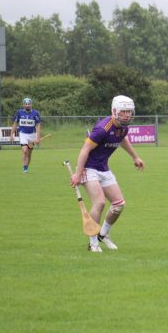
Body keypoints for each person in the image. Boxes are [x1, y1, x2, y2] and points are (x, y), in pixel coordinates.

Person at [70, 95, 145, 253]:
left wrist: (135, 157)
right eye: (124, 111)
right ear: (115, 111)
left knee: (119, 204)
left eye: (129, 112)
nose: (127, 115)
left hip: (103, 168)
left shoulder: (123, 127)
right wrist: (77, 174)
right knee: (99, 203)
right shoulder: (102, 128)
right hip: (88, 168)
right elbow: (85, 150)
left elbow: (123, 139)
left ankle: (103, 234)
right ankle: (93, 243)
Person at [10, 97, 41, 173]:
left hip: (32, 135)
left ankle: (26, 167)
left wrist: (37, 137)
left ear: (31, 105)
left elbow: (38, 126)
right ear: (23, 105)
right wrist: (11, 135)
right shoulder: (19, 113)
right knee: (24, 151)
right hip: (23, 134)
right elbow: (15, 124)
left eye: (29, 104)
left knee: (29, 154)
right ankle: (25, 168)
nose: (27, 105)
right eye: (26, 104)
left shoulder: (35, 113)